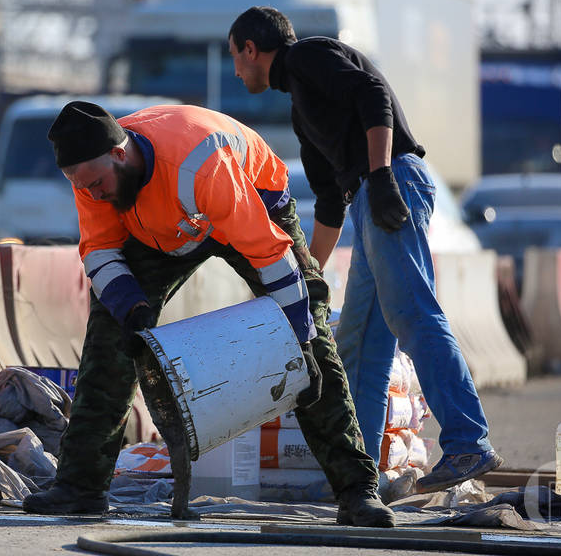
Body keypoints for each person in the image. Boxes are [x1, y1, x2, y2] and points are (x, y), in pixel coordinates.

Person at [22, 101, 395, 527]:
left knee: (309, 328)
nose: (92, 194)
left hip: (250, 203)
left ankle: (357, 490)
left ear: (120, 154)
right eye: (82, 186)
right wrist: (132, 307)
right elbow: (100, 251)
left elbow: (269, 253)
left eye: (96, 184)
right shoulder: (92, 171)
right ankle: (80, 487)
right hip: (162, 228)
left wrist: (300, 336)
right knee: (110, 334)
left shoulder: (199, 164)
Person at [227, 6, 503, 494]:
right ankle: (361, 478)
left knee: (412, 314)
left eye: (236, 57)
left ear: (252, 48)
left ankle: (467, 442)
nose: (236, 70)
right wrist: (307, 270)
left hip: (389, 185)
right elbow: (330, 204)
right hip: (364, 201)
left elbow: (372, 93)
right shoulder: (300, 109)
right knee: (359, 345)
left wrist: (379, 177)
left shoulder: (307, 56)